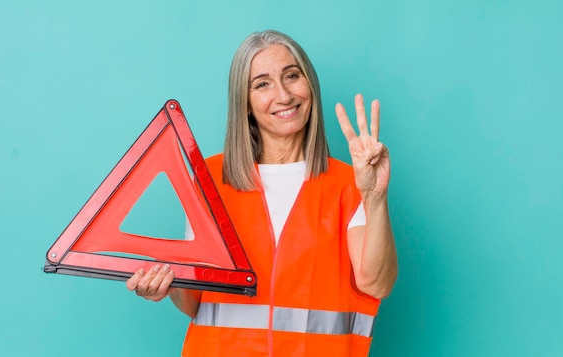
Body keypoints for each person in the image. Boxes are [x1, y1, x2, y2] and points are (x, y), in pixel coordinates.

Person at [126, 29, 397, 356]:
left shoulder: (348, 182)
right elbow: (197, 301)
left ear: (310, 83)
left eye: (292, 76)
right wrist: (167, 283)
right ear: (246, 103)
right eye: (262, 84)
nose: (283, 95)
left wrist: (375, 196)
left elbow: (377, 284)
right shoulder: (211, 178)